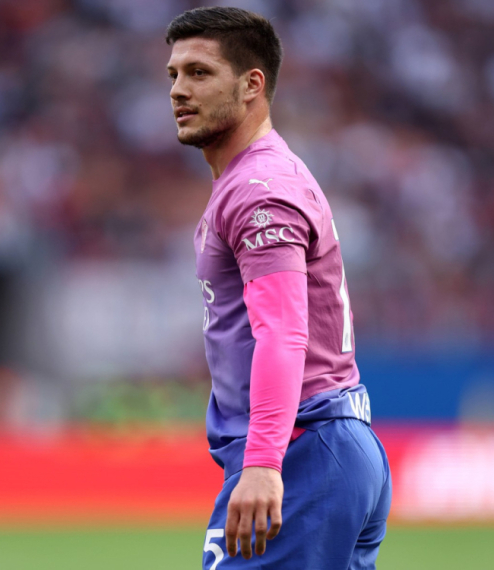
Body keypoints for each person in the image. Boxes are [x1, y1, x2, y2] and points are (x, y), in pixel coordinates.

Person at [165, 7, 391, 570]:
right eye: (173, 74)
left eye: (199, 73)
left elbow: (284, 333)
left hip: (302, 449)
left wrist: (264, 462)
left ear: (252, 85)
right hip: (329, 444)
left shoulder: (259, 192)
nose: (178, 90)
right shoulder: (256, 179)